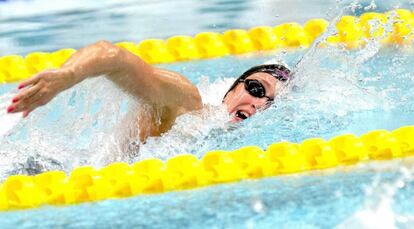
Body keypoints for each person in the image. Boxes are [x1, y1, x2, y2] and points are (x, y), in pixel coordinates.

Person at [6, 41, 291, 142]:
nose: (258, 104)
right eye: (255, 88)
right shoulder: (186, 106)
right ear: (230, 91)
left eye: (271, 103)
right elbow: (112, 55)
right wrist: (69, 75)